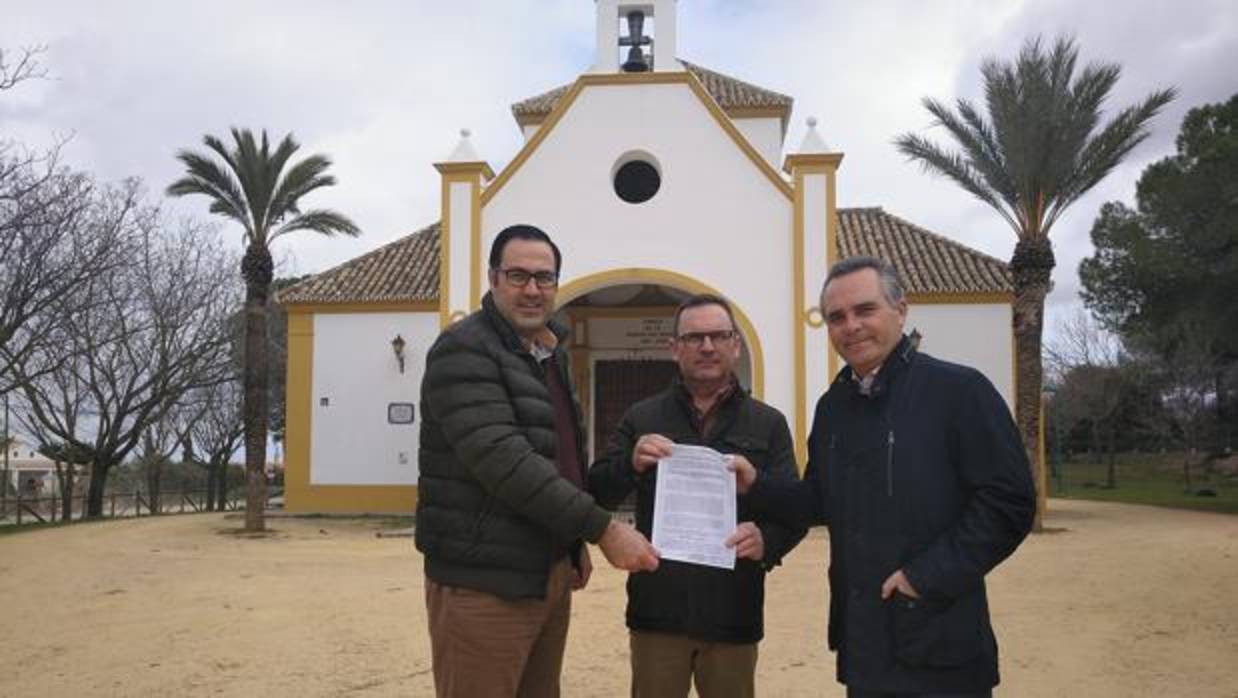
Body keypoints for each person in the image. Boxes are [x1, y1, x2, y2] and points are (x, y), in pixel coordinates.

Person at [733, 256, 1036, 697]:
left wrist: (925, 577)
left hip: (942, 643)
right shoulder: (833, 406)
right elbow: (820, 498)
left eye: (865, 310)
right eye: (837, 317)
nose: (850, 326)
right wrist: (757, 485)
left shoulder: (959, 391)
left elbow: (1009, 502)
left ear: (901, 309)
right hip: (865, 646)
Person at [415, 224, 659, 698]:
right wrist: (603, 529)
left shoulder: (548, 354)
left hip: (543, 573)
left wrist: (570, 545)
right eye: (518, 276)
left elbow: (559, 457)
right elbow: (506, 462)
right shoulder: (464, 349)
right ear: (493, 278)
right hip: (484, 584)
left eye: (544, 278)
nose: (533, 290)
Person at [589, 293, 807, 698]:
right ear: (675, 349)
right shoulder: (643, 417)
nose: (707, 346)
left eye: (719, 335)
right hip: (657, 611)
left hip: (733, 613)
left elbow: (794, 509)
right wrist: (630, 464)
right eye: (694, 338)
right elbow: (596, 490)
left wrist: (768, 541)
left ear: (735, 345)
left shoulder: (768, 423)